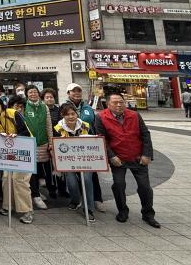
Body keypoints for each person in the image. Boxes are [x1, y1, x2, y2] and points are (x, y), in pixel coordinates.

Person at [95, 91, 160, 228]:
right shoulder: (101, 117)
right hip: (118, 158)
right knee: (118, 185)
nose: (119, 105)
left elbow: (145, 135)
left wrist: (147, 154)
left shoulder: (135, 115)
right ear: (108, 104)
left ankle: (148, 214)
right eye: (115, 102)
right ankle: (122, 211)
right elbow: (102, 139)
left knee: (145, 187)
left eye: (121, 102)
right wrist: (111, 156)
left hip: (138, 157)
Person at [0, 93, 34, 224]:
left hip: (24, 150)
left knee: (19, 180)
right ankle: (8, 206)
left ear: (1, 104)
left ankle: (26, 211)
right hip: (8, 153)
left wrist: (14, 135)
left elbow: (26, 132)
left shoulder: (13, 113)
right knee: (6, 178)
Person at [63, 83, 104, 212]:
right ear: (68, 93)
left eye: (78, 91)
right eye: (73, 91)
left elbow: (94, 124)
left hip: (88, 146)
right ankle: (76, 199)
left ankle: (95, 200)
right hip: (69, 147)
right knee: (71, 178)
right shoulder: (64, 107)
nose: (76, 93)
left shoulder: (87, 107)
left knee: (90, 176)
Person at [53, 103, 96, 222]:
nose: (71, 117)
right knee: (71, 183)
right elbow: (55, 146)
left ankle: (89, 208)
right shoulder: (57, 128)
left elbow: (95, 141)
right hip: (68, 161)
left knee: (87, 180)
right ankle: (75, 200)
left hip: (86, 159)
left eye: (73, 114)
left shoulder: (85, 125)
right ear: (62, 115)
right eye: (67, 114)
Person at [23, 85, 55, 210]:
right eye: (30, 92)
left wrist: (51, 141)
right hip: (29, 143)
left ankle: (37, 191)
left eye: (35, 92)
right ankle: (35, 195)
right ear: (26, 94)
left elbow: (48, 125)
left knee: (43, 168)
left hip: (43, 142)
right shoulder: (24, 106)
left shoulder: (44, 106)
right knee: (32, 170)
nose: (33, 94)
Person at [42, 87, 68, 198]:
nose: (49, 99)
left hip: (59, 141)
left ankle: (62, 189)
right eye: (47, 97)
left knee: (61, 166)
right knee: (49, 167)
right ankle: (51, 189)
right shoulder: (42, 111)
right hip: (48, 141)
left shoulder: (59, 110)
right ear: (43, 99)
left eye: (51, 97)